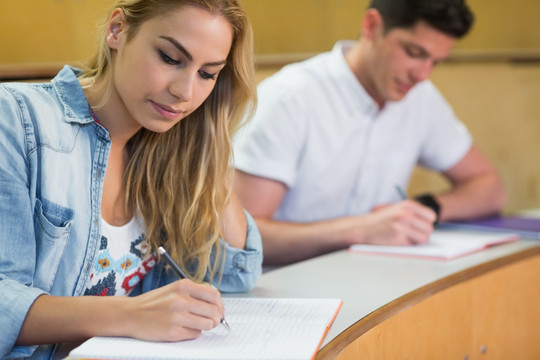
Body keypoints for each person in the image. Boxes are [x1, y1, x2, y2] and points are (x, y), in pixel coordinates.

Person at [0, 0, 262, 359]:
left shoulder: (169, 151)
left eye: (208, 74)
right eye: (170, 58)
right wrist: (133, 315)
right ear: (117, 30)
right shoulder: (16, 119)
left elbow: (234, 274)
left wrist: (212, 143)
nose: (185, 92)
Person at [233, 0, 507, 265]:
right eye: (415, 53)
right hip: (286, 291)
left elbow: (490, 188)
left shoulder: (421, 98)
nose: (422, 75)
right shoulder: (289, 99)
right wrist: (362, 230)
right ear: (372, 25)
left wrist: (425, 210)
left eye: (436, 62)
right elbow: (240, 236)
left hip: (376, 282)